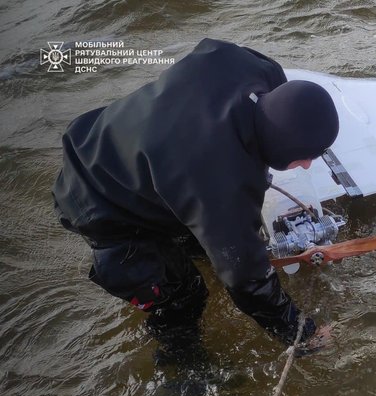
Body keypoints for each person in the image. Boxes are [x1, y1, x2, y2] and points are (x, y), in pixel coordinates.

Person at [51, 38, 338, 363]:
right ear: (282, 148)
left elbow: (213, 49)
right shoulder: (219, 181)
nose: (307, 166)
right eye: (304, 158)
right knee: (186, 294)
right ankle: (183, 373)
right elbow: (248, 283)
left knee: (206, 246)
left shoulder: (258, 69)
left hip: (111, 140)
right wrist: (303, 335)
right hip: (99, 202)